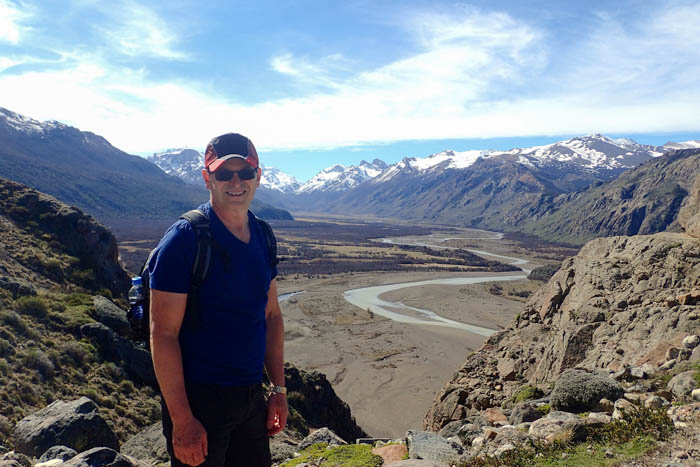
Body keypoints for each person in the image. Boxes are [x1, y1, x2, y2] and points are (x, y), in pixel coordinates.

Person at [148, 133, 287, 467]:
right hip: (201, 402)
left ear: (258, 175)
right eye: (224, 174)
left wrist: (278, 392)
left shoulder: (263, 235)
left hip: (251, 398)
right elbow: (162, 334)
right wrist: (182, 420)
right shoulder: (186, 239)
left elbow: (271, 316)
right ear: (207, 178)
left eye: (245, 173)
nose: (236, 182)